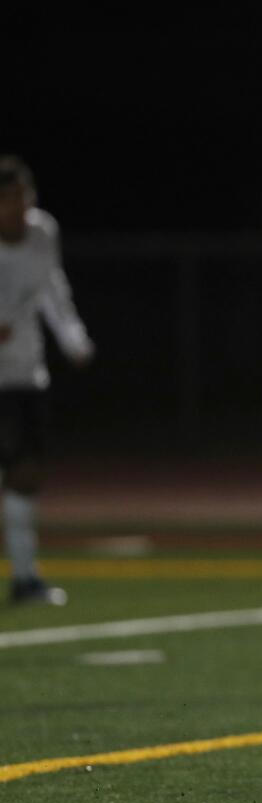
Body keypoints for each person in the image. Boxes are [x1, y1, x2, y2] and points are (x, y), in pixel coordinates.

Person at [0, 156, 94, 606]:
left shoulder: (42, 232)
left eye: (24, 196)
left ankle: (23, 578)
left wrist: (71, 335)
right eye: (10, 198)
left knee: (27, 474)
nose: (20, 206)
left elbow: (51, 287)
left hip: (26, 374)